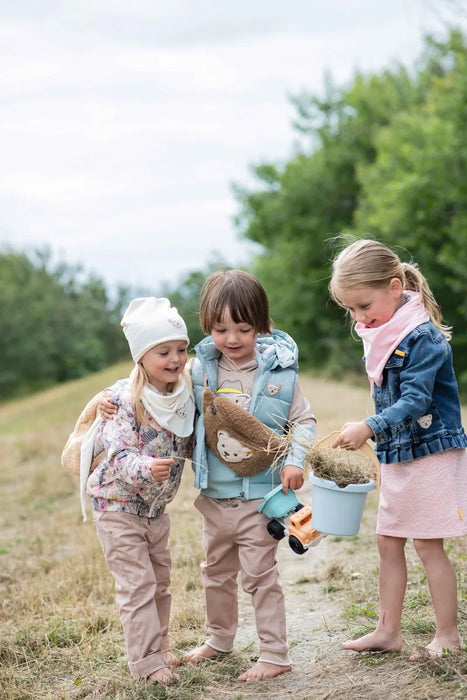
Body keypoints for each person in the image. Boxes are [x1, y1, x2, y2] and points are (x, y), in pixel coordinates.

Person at [100, 270, 317, 682]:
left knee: (260, 575)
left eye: (243, 328)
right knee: (215, 573)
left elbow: (303, 420)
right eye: (220, 329)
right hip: (214, 499)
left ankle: (274, 652)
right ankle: (219, 639)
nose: (232, 338)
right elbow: (149, 383)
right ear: (207, 327)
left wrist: (296, 459)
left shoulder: (281, 375)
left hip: (261, 496)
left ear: (261, 325)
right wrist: (106, 402)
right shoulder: (199, 372)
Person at [329, 238, 467, 660]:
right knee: (388, 541)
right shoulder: (384, 332)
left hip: (431, 451)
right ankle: (388, 631)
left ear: (393, 287)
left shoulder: (421, 336)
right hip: (401, 453)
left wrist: (369, 427)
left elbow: (416, 401)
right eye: (350, 310)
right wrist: (377, 430)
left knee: (427, 544)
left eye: (363, 306)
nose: (359, 318)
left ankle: (448, 635)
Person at [87, 297, 194, 685]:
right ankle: (147, 664)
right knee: (137, 586)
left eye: (181, 349)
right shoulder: (122, 401)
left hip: (155, 511)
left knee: (161, 581)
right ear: (141, 356)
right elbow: (115, 458)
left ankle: (162, 646)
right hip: (117, 507)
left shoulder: (182, 396)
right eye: (163, 351)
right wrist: (147, 467)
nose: (175, 358)